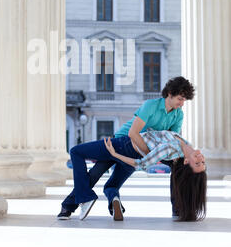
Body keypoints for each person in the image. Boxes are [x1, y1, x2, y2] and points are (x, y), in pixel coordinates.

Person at [57, 76, 195, 221]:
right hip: (128, 144)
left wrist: (177, 155)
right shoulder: (152, 106)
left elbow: (172, 139)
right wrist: (153, 156)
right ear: (170, 94)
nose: (182, 103)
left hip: (124, 145)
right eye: (180, 99)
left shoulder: (178, 114)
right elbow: (134, 134)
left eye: (184, 100)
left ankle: (69, 207)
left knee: (88, 168)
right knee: (112, 184)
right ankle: (112, 201)